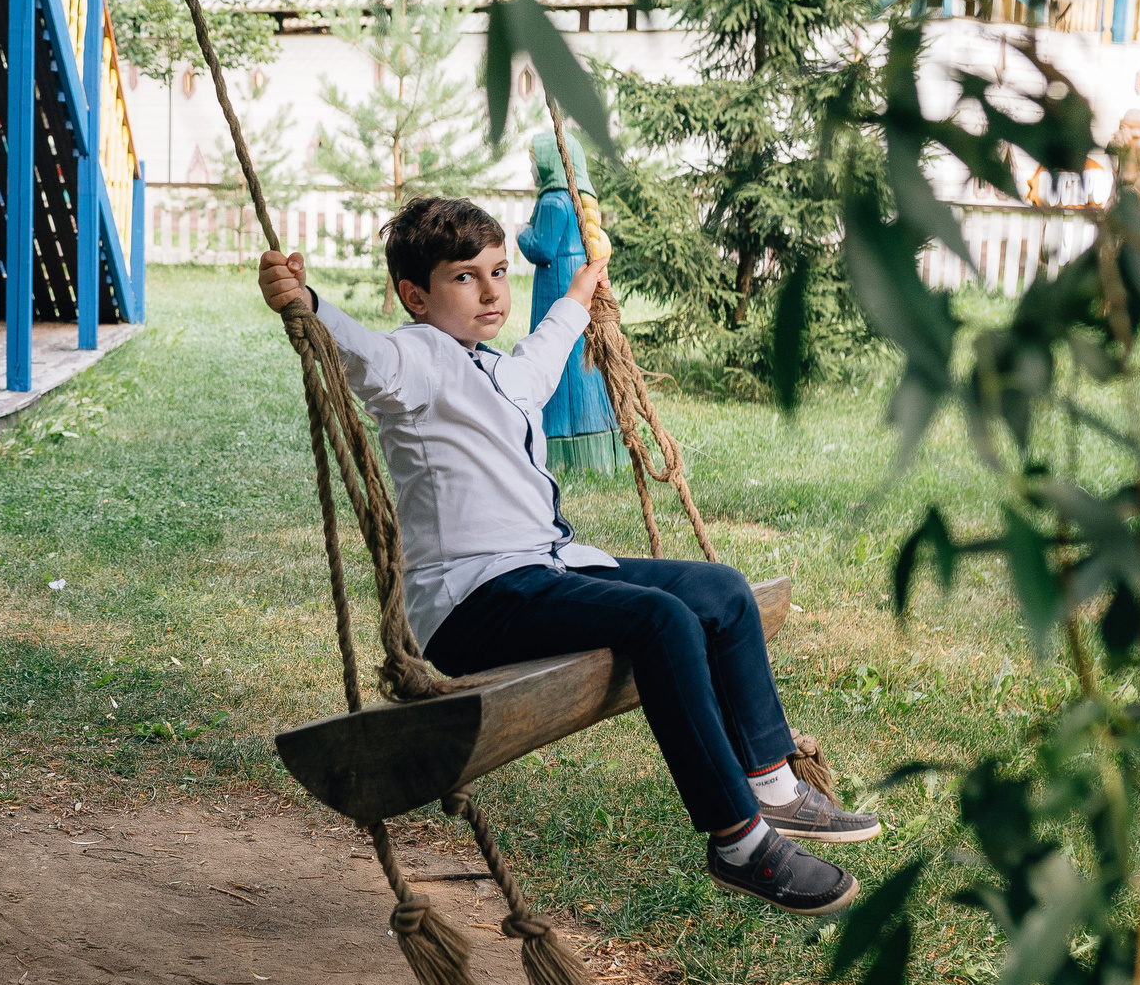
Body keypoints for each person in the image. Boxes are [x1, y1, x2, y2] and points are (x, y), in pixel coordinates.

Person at [258, 195, 878, 916]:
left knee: (722, 592)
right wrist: (307, 303)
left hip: (544, 570)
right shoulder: (419, 360)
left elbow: (548, 345)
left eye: (498, 270)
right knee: (662, 621)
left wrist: (588, 282)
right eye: (466, 277)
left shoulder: (499, 371)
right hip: (473, 603)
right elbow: (364, 355)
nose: (493, 291)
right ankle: (737, 840)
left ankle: (772, 783)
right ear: (415, 295)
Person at [517, 130, 627, 474]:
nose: (532, 172)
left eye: (534, 164)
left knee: (558, 351)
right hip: (577, 275)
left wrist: (521, 231)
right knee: (582, 357)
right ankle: (597, 438)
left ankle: (562, 443)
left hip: (560, 286)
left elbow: (542, 248)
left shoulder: (552, 202)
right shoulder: (578, 201)